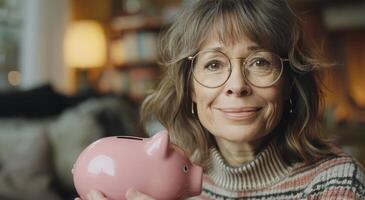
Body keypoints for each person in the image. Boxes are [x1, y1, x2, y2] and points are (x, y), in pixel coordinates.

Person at [79, 0, 365, 199]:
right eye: (214, 65)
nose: (237, 86)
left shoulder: (336, 181)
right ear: (189, 88)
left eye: (259, 62)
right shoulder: (170, 181)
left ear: (288, 82)